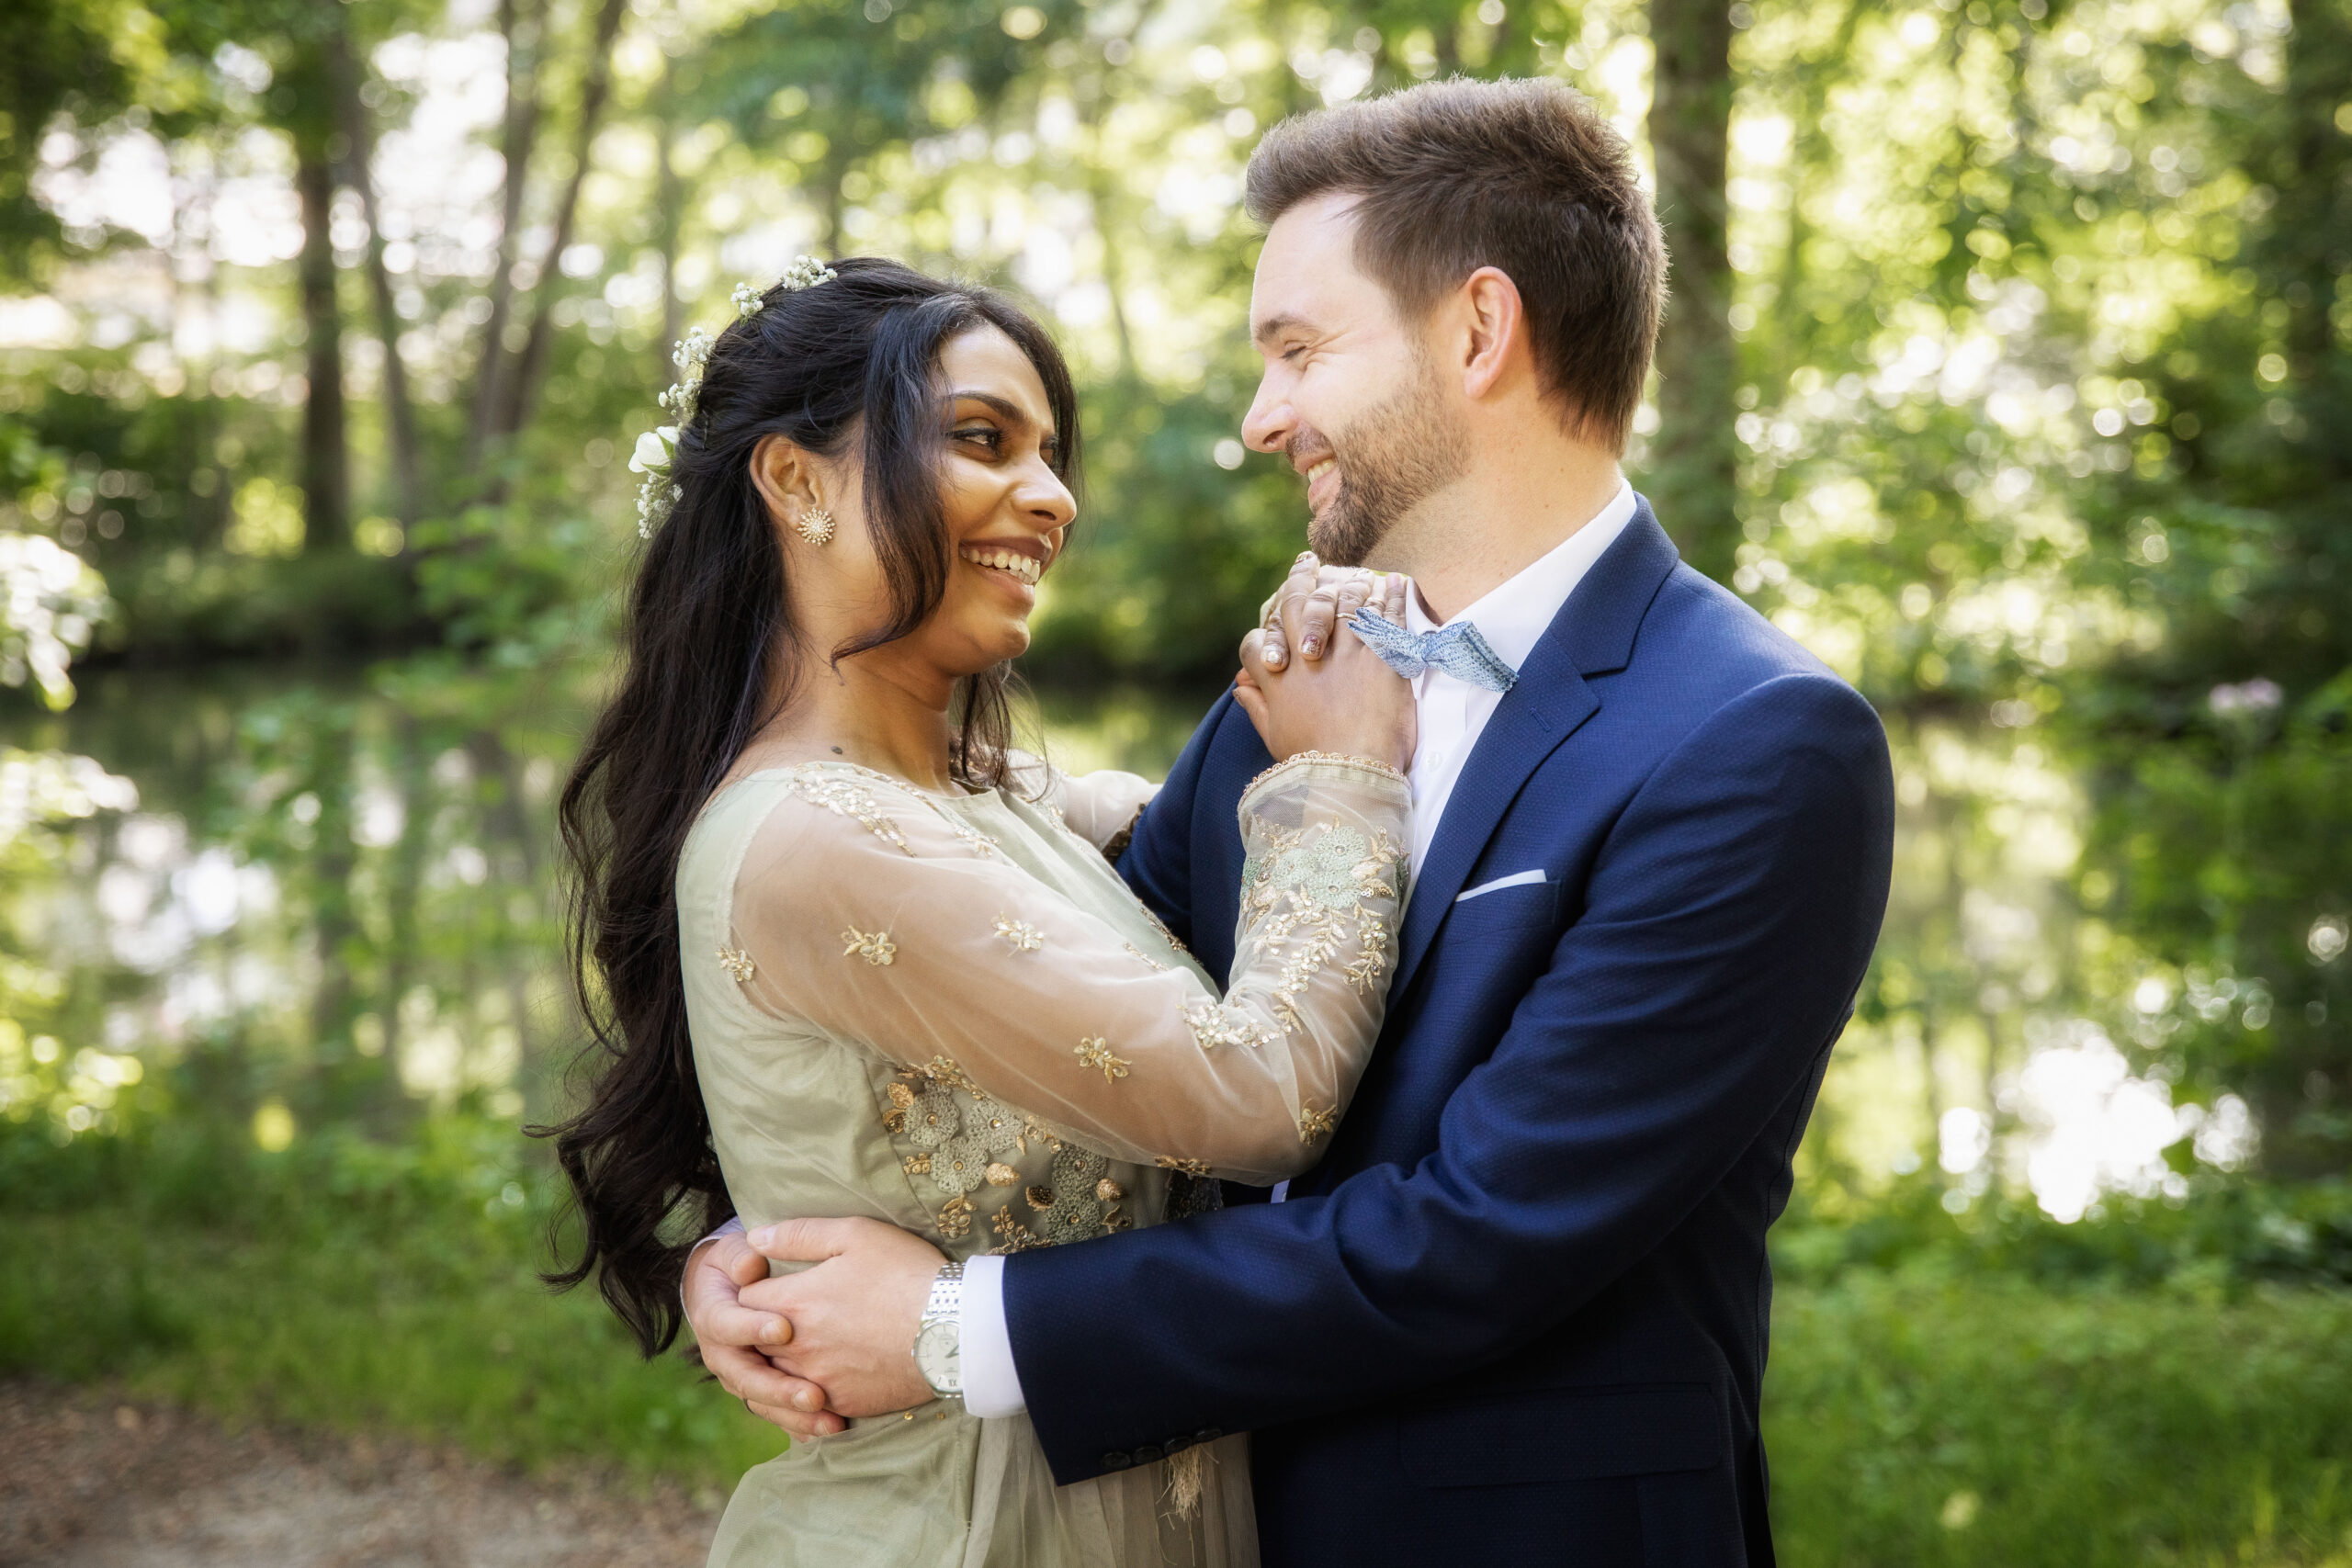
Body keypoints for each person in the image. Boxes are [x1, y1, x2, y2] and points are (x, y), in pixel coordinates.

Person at [684, 77, 1897, 1567]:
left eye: (1298, 352)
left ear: (1477, 331)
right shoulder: (1304, 683)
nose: (1262, 420)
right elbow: (1040, 1019)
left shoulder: (1756, 741)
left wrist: (952, 1327)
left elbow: (1476, 1240)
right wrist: (773, 1254)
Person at [543, 255, 1421, 1567]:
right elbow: (1259, 1095)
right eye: (978, 439)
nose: (1053, 495)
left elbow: (1146, 832)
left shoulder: (989, 799)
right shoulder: (815, 841)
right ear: (795, 482)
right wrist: (1343, 778)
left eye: (1052, 454)